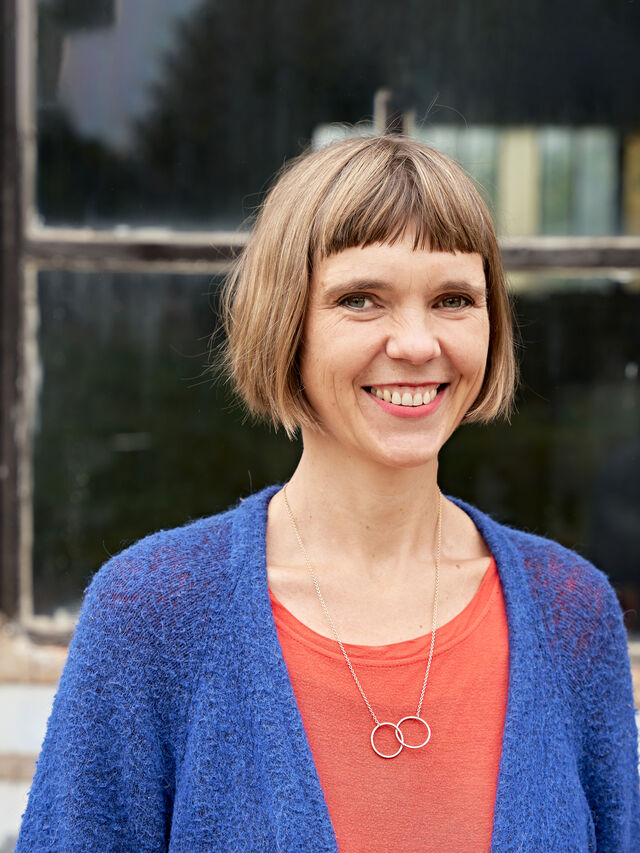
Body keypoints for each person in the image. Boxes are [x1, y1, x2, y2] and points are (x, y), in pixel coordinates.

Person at [17, 136, 640, 852]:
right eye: (360, 299)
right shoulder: (152, 613)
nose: (415, 342)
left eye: (453, 299)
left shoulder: (573, 613)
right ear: (288, 324)